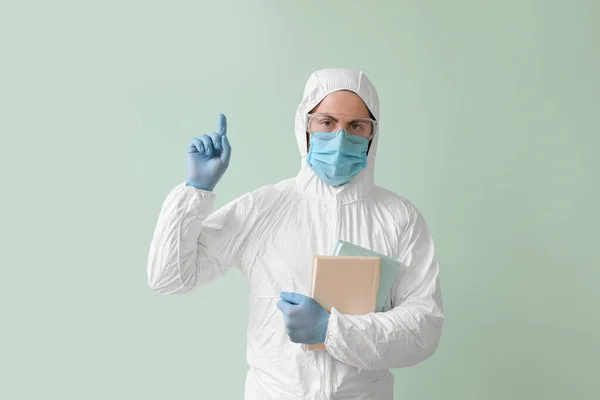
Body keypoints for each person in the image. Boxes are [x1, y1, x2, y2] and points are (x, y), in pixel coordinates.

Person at [147, 68, 444, 400]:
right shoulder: (264, 208)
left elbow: (424, 328)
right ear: (305, 124)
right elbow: (170, 277)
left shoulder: (399, 218)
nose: (341, 137)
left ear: (372, 134)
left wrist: (332, 330)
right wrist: (196, 191)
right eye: (327, 122)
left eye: (356, 126)